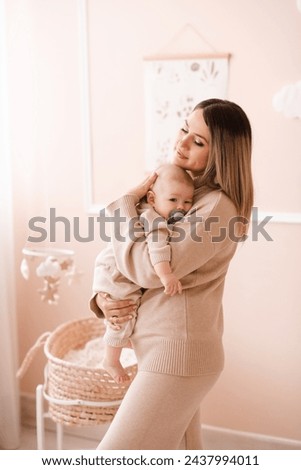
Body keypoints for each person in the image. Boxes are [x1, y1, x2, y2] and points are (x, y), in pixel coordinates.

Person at [90, 98, 253, 450]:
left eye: (198, 141)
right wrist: (104, 296)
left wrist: (124, 206)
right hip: (166, 352)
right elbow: (121, 257)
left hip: (178, 355)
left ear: (221, 154)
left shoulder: (216, 207)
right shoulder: (186, 195)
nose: (181, 142)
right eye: (184, 129)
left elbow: (150, 269)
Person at [94, 164, 195, 383]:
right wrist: (166, 275)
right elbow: (158, 250)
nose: (182, 207)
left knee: (123, 314)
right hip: (117, 275)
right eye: (173, 200)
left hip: (108, 267)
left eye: (187, 202)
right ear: (151, 198)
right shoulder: (155, 220)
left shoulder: (141, 210)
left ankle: (118, 342)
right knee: (123, 314)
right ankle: (111, 359)